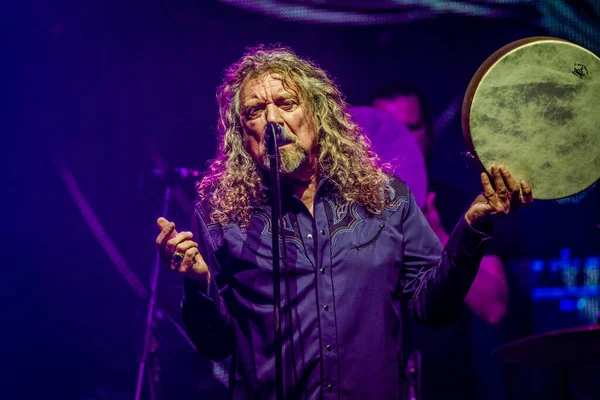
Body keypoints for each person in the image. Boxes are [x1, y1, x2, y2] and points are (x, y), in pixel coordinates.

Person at [154, 45, 533, 400]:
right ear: (242, 133)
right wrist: (198, 283)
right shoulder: (221, 216)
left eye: (286, 103)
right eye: (255, 111)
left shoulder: (386, 198)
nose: (273, 120)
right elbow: (215, 346)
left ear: (318, 117)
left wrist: (471, 229)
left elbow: (433, 309)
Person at [372, 84, 510, 399]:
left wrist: (442, 236)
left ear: (429, 134)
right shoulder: (339, 215)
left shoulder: (464, 207)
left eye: (410, 128)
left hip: (449, 387)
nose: (399, 140)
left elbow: (495, 308)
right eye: (388, 127)